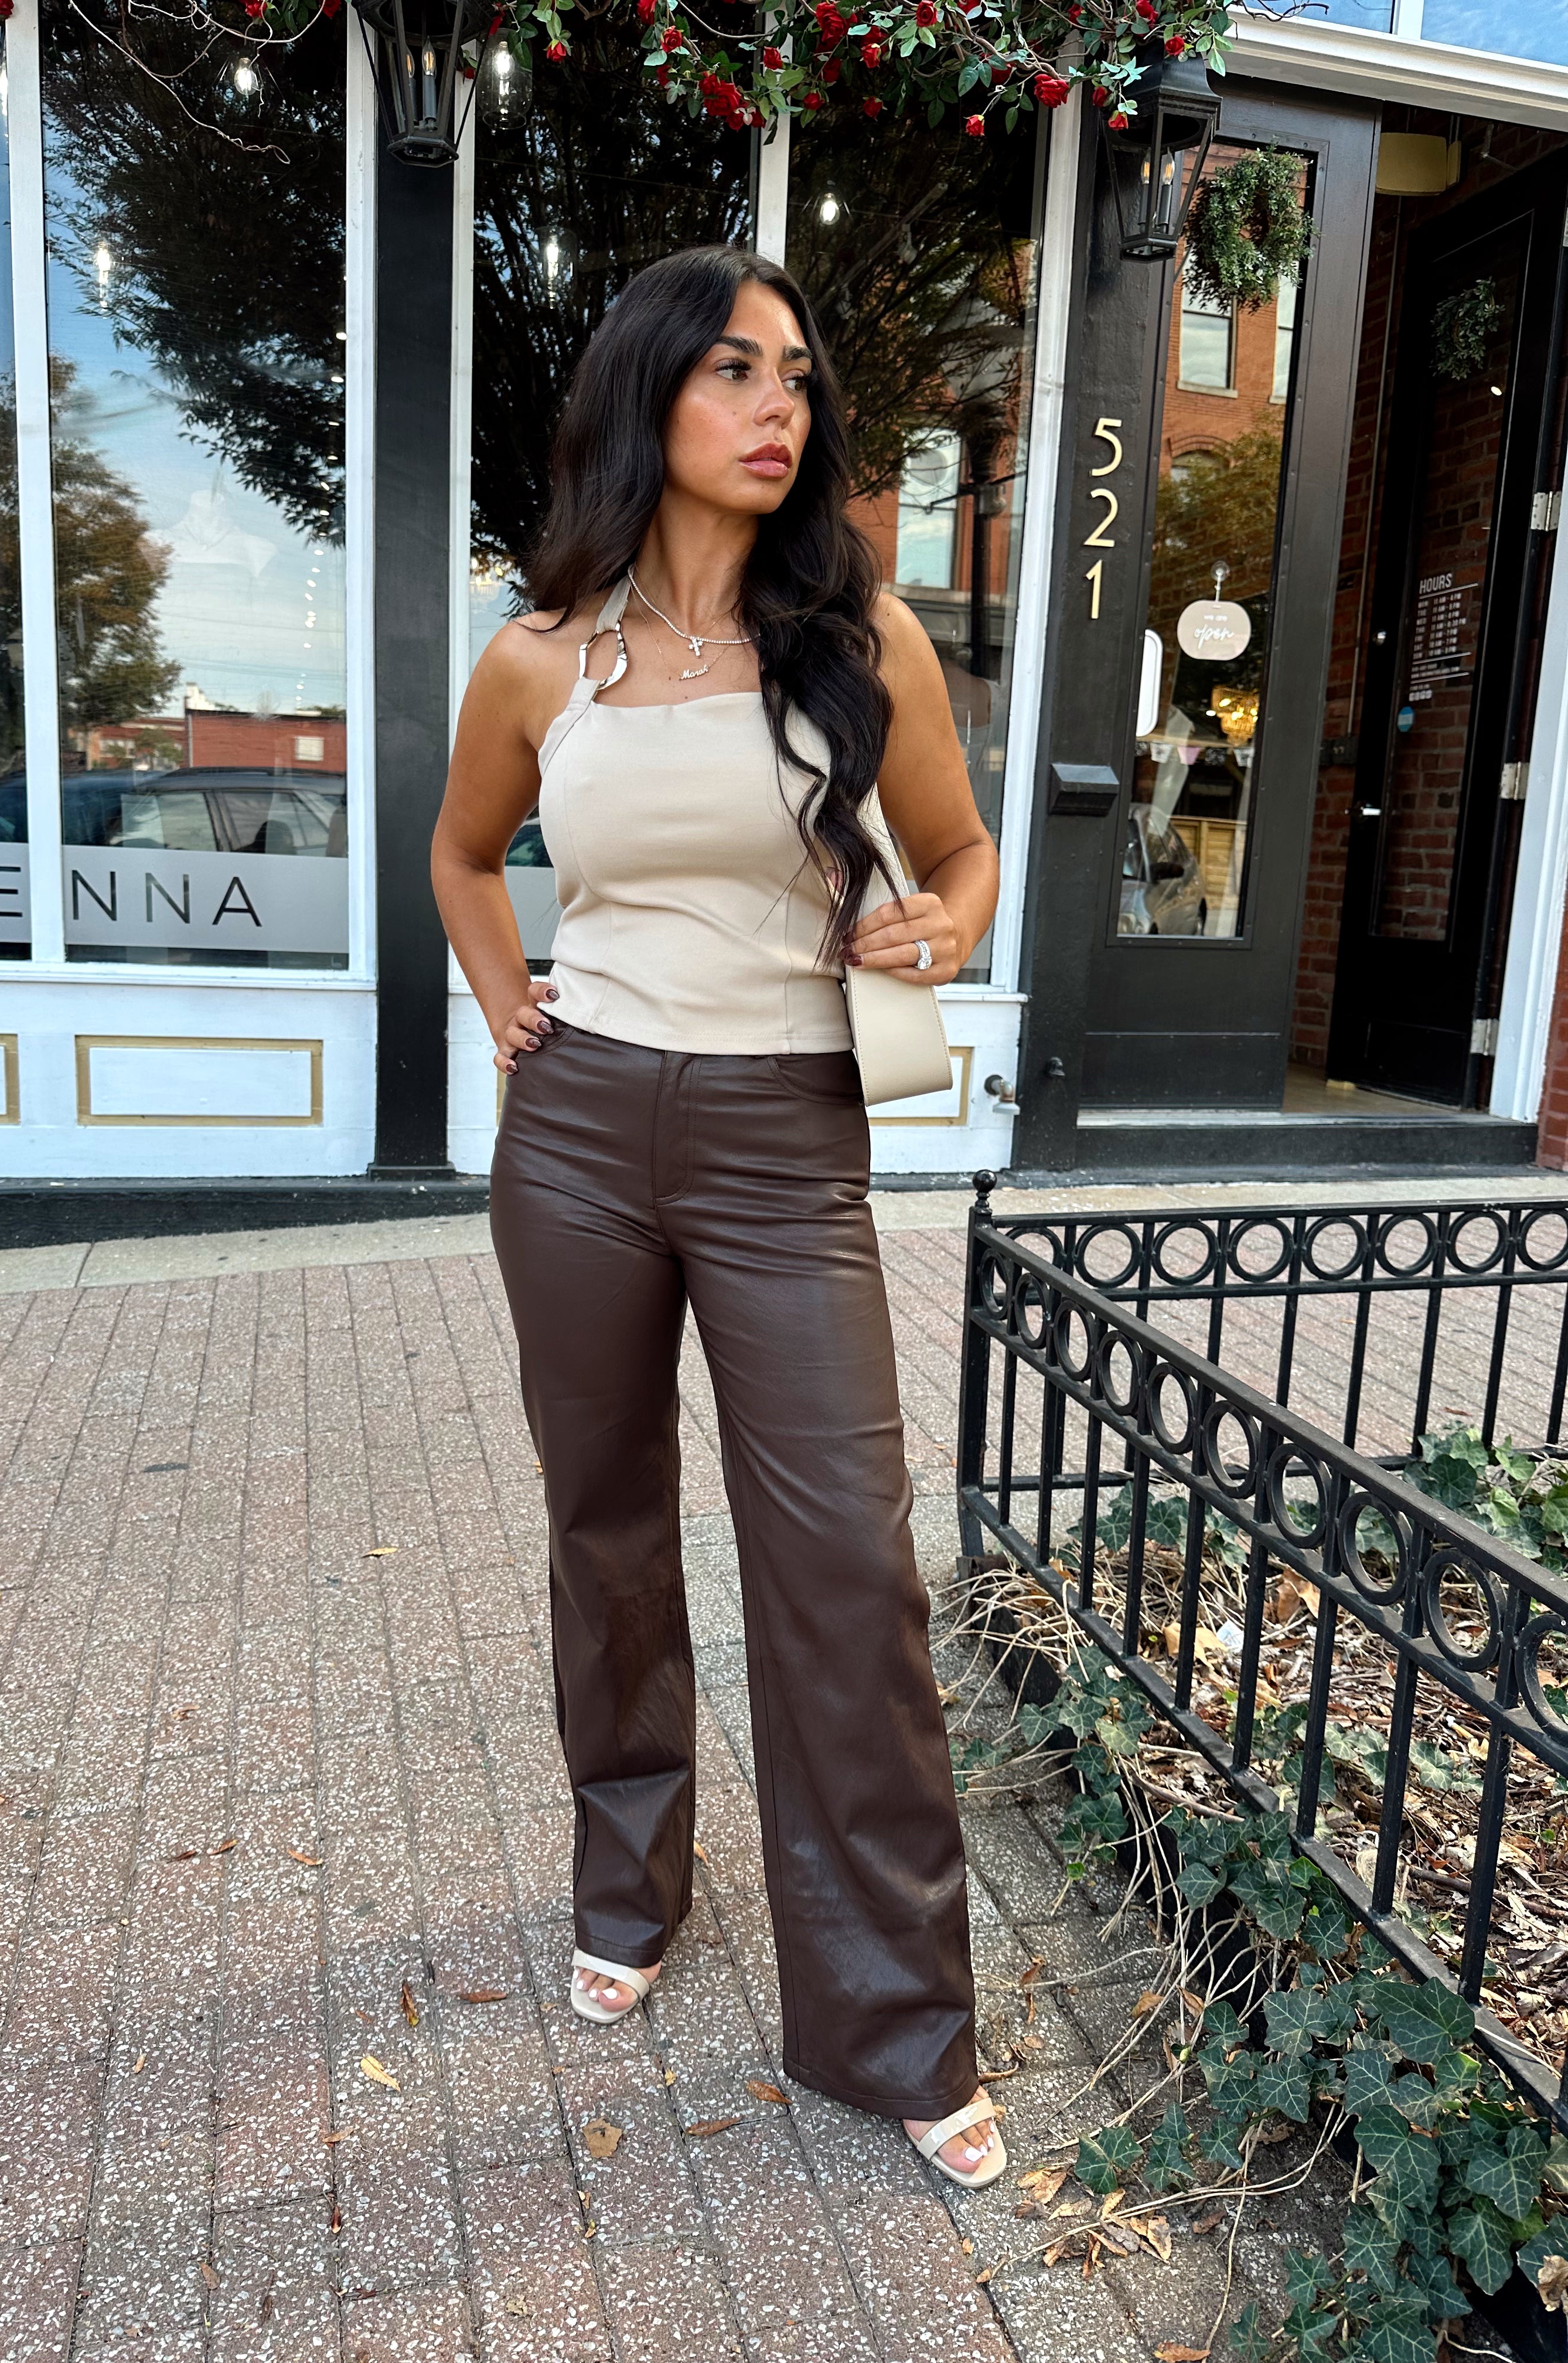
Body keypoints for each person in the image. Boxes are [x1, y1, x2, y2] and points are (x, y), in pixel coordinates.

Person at [431, 244, 1004, 2187]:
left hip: (785, 1137)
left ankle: (901, 2025)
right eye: (736, 371)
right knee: (605, 1526)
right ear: (651, 397)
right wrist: (508, 1002)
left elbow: (961, 847)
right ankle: (631, 1883)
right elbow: (459, 848)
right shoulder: (541, 653)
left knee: (847, 1558)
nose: (781, 405)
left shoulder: (865, 644)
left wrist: (952, 921)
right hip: (580, 1133)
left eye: (799, 378)